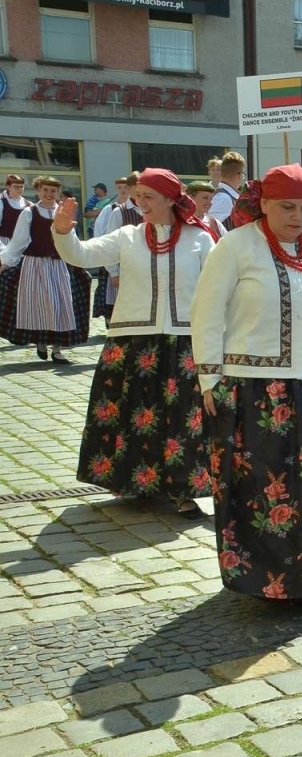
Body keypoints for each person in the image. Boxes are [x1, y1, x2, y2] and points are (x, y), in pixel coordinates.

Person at [190, 165, 302, 602]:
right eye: (287, 206)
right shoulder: (234, 246)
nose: (297, 215)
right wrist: (210, 378)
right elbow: (207, 313)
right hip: (255, 387)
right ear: (263, 203)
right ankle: (259, 579)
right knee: (260, 485)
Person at [50, 170, 215, 515]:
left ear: (171, 199)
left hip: (184, 341)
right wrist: (63, 231)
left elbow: (215, 291)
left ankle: (182, 490)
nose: (140, 203)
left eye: (148, 197)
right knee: (135, 413)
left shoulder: (200, 239)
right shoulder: (127, 236)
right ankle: (135, 484)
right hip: (132, 340)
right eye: (138, 196)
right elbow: (81, 254)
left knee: (181, 417)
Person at [0, 176, 91, 363]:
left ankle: (57, 349)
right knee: (40, 305)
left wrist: (78, 259)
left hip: (59, 265)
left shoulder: (63, 212)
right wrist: (6, 262)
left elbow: (72, 240)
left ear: (58, 193)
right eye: (45, 190)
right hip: (35, 265)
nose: (49, 194)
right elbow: (19, 241)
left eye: (53, 191)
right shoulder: (29, 213)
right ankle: (40, 342)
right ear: (38, 191)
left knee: (61, 305)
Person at [91, 176, 141, 321]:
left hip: (143, 267)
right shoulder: (116, 211)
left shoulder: (151, 210)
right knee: (119, 304)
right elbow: (106, 238)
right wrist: (113, 271)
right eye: (121, 187)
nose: (124, 190)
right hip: (123, 264)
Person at [208, 151, 246, 225]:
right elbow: (211, 227)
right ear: (239, 175)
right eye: (243, 175)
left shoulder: (227, 196)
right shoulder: (223, 198)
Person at [0, 175, 27, 248]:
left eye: (21, 187)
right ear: (8, 187)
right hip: (3, 243)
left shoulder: (27, 204)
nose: (20, 189)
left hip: (21, 245)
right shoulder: (1, 202)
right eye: (16, 187)